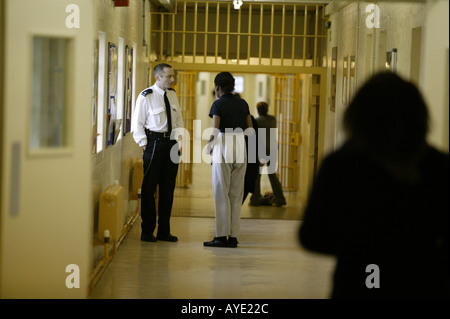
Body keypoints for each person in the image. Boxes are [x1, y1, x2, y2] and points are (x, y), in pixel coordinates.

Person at [299, 72, 449, 299]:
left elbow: (312, 236)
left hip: (359, 280)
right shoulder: (438, 166)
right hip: (422, 282)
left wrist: (359, 247)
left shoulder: (342, 164)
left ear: (358, 116)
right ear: (419, 117)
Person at [132, 63, 184, 243]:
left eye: (172, 76)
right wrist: (144, 143)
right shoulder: (146, 96)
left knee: (168, 189)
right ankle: (147, 231)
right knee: (149, 189)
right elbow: (137, 123)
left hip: (172, 144)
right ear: (158, 77)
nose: (172, 79)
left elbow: (178, 119)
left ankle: (164, 231)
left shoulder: (172, 94)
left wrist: (179, 140)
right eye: (169, 76)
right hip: (154, 143)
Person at [204, 72, 253, 248]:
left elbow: (215, 131)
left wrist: (208, 147)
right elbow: (250, 129)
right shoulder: (243, 103)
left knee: (221, 191)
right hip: (241, 144)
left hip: (223, 143)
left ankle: (220, 236)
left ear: (218, 87)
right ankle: (233, 236)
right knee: (236, 193)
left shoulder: (217, 104)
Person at [250, 101, 286, 207]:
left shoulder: (257, 121)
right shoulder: (273, 119)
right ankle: (280, 199)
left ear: (258, 111)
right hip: (273, 150)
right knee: (272, 175)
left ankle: (255, 199)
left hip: (261, 151)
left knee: (257, 176)